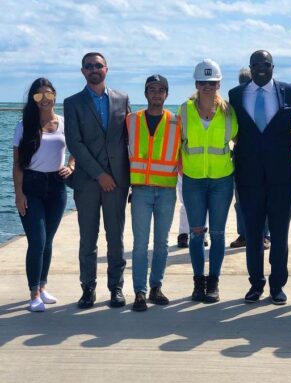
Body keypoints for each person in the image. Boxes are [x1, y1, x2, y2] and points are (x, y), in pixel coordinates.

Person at [229, 50, 291, 305]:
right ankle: (255, 284)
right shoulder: (235, 95)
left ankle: (277, 285)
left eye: (266, 64)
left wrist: (278, 148)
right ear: (250, 67)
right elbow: (235, 132)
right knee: (252, 234)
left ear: (273, 66)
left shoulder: (290, 92)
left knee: (280, 234)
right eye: (256, 64)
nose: (261, 68)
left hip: (282, 176)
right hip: (248, 177)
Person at [64, 52, 130, 309]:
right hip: (88, 182)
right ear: (82, 71)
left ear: (106, 69)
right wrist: (99, 174)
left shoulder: (122, 99)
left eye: (98, 66)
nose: (94, 69)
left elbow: (128, 140)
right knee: (88, 238)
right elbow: (75, 143)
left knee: (116, 237)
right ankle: (88, 288)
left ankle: (116, 288)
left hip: (117, 181)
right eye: (89, 66)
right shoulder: (73, 103)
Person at [12, 78, 74, 312]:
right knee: (37, 240)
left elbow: (75, 150)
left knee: (48, 241)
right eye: (38, 96)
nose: (44, 99)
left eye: (48, 94)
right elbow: (17, 164)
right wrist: (18, 194)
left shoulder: (64, 123)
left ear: (54, 96)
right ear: (33, 100)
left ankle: (43, 286)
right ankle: (33, 292)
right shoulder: (24, 125)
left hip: (57, 186)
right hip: (32, 185)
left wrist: (72, 165)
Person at [179, 59, 238, 303]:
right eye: (203, 83)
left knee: (217, 232)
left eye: (212, 83)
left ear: (219, 84)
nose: (207, 87)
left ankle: (213, 281)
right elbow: (174, 142)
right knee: (195, 233)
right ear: (196, 83)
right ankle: (198, 281)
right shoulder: (184, 110)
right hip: (193, 180)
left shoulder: (228, 112)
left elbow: (239, 140)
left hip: (221, 180)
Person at [126, 75, 180, 312]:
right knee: (139, 244)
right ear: (145, 94)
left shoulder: (176, 122)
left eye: (161, 90)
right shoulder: (131, 120)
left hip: (167, 191)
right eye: (152, 90)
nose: (156, 94)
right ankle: (139, 292)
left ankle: (156, 287)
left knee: (162, 244)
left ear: (167, 94)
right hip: (140, 191)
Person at [230, 67, 271, 250]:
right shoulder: (237, 102)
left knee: (264, 199)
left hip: (263, 158)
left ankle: (263, 235)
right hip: (242, 157)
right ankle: (244, 234)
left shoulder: (263, 102)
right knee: (241, 200)